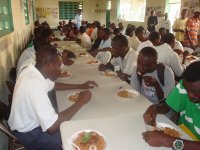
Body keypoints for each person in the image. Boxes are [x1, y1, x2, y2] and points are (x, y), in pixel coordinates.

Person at [8, 45, 97, 150]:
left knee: (68, 121)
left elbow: (54, 85)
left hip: (29, 126)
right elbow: (52, 127)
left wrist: (81, 85)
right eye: (59, 66)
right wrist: (81, 101)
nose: (60, 71)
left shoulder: (34, 71)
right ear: (49, 64)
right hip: (30, 135)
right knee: (73, 138)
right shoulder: (34, 84)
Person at [142, 61, 200, 149]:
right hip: (183, 134)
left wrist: (167, 141)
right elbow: (168, 106)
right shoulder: (187, 85)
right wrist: (155, 108)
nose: (190, 95)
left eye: (196, 91)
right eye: (187, 89)